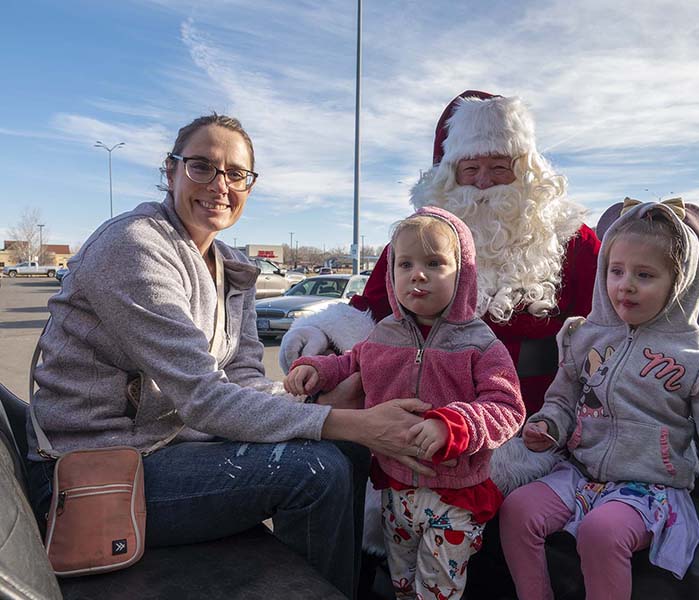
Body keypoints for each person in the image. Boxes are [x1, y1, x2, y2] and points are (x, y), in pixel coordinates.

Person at [25, 114, 438, 599]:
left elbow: (241, 381)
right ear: (171, 170)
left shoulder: (231, 269)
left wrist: (318, 406)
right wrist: (353, 421)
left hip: (172, 448)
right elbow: (203, 397)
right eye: (202, 167)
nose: (220, 185)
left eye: (236, 174)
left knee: (345, 451)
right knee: (315, 472)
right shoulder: (133, 248)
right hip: (98, 470)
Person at [499, 198, 699, 600]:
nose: (625, 284)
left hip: (649, 489)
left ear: (678, 283)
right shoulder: (583, 337)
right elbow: (561, 401)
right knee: (517, 509)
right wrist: (548, 425)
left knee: (601, 532)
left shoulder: (698, 359)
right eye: (616, 271)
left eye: (644, 274)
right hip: (581, 476)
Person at [279, 90, 601, 416]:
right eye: (471, 168)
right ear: (449, 176)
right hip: (427, 415)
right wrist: (322, 341)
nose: (484, 182)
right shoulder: (417, 238)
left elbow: (612, 322)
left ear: (525, 171)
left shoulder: (571, 238)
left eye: (500, 167)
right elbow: (372, 312)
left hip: (541, 417)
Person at [285, 207, 525, 599]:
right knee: (401, 580)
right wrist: (317, 369)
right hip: (395, 489)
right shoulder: (385, 333)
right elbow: (351, 361)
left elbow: (507, 407)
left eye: (435, 263)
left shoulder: (480, 344)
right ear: (390, 273)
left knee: (438, 589)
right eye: (406, 264)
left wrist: (454, 425)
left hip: (454, 494)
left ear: (462, 273)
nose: (418, 274)